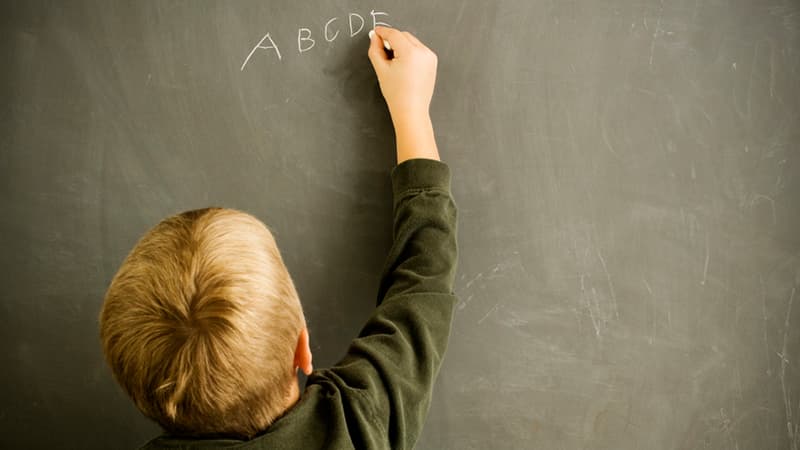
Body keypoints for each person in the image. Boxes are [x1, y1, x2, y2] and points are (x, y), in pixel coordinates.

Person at [99, 26, 458, 449]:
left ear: (139, 394)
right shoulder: (355, 426)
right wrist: (411, 109)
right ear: (302, 350)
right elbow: (424, 284)